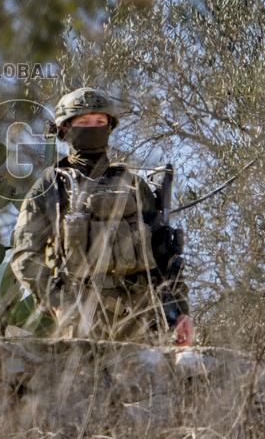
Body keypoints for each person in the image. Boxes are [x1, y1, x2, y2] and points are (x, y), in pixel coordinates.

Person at [10, 87, 194, 346]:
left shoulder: (133, 185)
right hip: (79, 323)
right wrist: (58, 301)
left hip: (141, 321)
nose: (92, 127)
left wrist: (179, 312)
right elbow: (25, 256)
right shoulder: (52, 186)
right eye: (83, 122)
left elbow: (165, 260)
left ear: (110, 126)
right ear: (65, 130)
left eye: (99, 121)